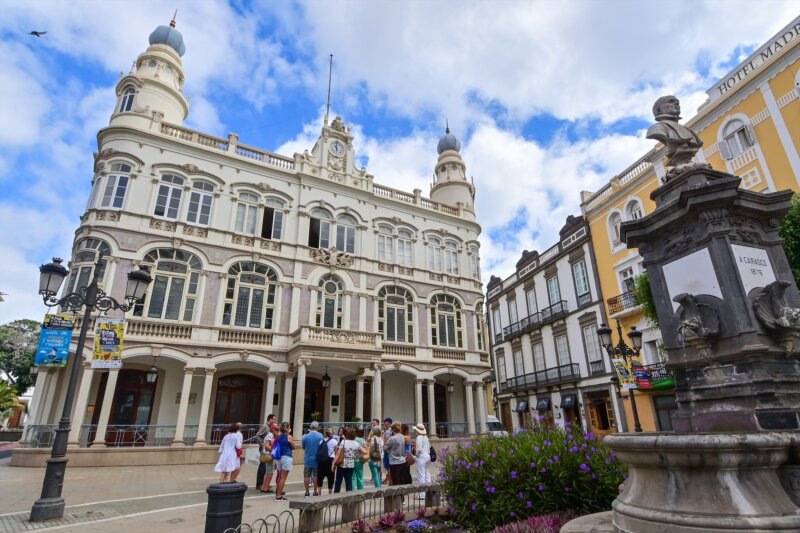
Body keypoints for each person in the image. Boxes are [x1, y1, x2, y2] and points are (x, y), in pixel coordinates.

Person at [646, 95, 703, 169]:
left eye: (677, 103)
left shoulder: (688, 131)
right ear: (659, 110)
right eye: (671, 101)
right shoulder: (656, 129)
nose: (676, 104)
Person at [333, 427, 360, 493]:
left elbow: (338, 453)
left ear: (347, 434)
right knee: (349, 481)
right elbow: (364, 451)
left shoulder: (343, 442)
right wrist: (357, 456)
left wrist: (334, 463)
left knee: (338, 481)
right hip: (351, 464)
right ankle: (349, 497)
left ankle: (336, 496)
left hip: (342, 463)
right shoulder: (356, 443)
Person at [301, 421, 323, 497]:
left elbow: (303, 447)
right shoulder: (320, 436)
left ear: (310, 427)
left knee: (306, 476)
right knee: (316, 476)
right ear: (317, 427)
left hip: (308, 458)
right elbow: (322, 446)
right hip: (317, 459)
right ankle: (315, 492)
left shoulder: (305, 436)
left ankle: (307, 492)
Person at [274, 422, 294, 501]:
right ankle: (279, 495)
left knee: (279, 476)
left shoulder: (278, 437)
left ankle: (278, 493)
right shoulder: (289, 436)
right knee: (283, 478)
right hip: (286, 456)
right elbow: (293, 447)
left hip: (278, 457)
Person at [256, 414, 276, 489]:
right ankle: (259, 484)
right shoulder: (265, 427)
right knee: (262, 466)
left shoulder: (269, 428)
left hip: (267, 449)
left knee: (266, 467)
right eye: (273, 419)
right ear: (269, 419)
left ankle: (264, 483)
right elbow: (257, 435)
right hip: (264, 449)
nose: (274, 421)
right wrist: (262, 444)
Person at [259, 424, 279, 493]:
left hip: (268, 454)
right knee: (270, 472)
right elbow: (267, 446)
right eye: (276, 429)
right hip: (269, 455)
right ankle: (266, 488)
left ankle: (264, 487)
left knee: (267, 471)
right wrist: (273, 451)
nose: (277, 431)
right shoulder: (270, 435)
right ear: (273, 429)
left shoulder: (271, 435)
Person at [413, 423, 431, 498]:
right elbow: (429, 447)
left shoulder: (419, 437)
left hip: (422, 457)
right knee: (427, 474)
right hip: (427, 455)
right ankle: (429, 491)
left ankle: (422, 495)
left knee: (421, 476)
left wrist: (415, 455)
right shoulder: (426, 437)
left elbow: (419, 449)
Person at [317, 428, 336, 494]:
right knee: (330, 477)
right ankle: (330, 492)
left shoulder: (321, 441)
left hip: (321, 461)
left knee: (320, 476)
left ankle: (319, 492)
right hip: (330, 460)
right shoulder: (334, 441)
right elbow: (336, 452)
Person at [382, 417, 393, 485]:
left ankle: (390, 482)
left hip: (387, 452)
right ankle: (389, 480)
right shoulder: (392, 430)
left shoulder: (388, 432)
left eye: (385, 422)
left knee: (388, 467)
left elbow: (386, 442)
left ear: (388, 423)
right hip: (392, 452)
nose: (384, 423)